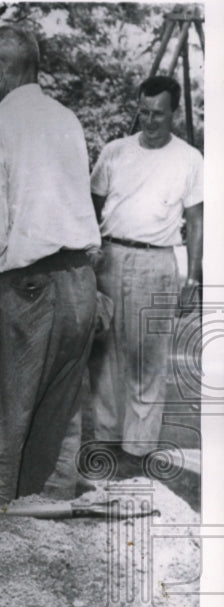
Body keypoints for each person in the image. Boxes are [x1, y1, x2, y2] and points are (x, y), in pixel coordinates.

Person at [0, 26, 100, 507]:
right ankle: (46, 521)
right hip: (79, 283)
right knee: (58, 420)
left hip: (26, 286)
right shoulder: (66, 118)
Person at [89, 75, 204, 470]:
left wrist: (193, 277)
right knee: (103, 355)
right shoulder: (115, 151)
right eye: (144, 112)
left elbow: (197, 219)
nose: (150, 121)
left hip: (157, 262)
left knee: (147, 359)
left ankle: (137, 451)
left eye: (159, 114)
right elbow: (91, 204)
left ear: (174, 113)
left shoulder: (189, 158)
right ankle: (105, 441)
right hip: (109, 257)